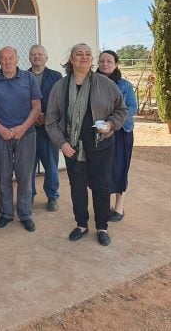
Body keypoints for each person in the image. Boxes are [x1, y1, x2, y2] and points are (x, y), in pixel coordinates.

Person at [45, 44, 127, 246]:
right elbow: (51, 121)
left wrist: (110, 124)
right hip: (72, 148)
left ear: (92, 60)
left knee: (101, 186)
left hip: (101, 146)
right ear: (71, 60)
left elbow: (121, 111)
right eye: (79, 54)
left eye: (88, 54)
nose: (84, 57)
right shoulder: (60, 87)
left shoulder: (105, 84)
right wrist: (62, 144)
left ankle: (102, 227)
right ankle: (81, 224)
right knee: (78, 187)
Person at [0, 46, 41, 232]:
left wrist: (23, 128)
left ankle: (25, 214)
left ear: (17, 59)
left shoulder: (29, 78)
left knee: (25, 176)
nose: (7, 62)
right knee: (4, 175)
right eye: (3, 58)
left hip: (26, 134)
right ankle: (6, 213)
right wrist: (0, 128)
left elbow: (37, 107)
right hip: (0, 135)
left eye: (10, 58)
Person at [97, 50, 138, 222]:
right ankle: (104, 206)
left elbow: (132, 108)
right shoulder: (92, 83)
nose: (105, 64)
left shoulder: (125, 85)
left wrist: (113, 122)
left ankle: (119, 207)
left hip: (122, 133)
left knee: (120, 169)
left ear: (116, 64)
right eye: (102, 61)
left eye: (109, 61)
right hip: (100, 135)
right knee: (102, 171)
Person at [28, 44, 63, 211]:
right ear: (29, 58)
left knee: (51, 165)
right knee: (28, 166)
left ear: (46, 58)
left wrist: (45, 117)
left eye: (40, 54)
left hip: (49, 130)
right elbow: (18, 101)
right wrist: (33, 117)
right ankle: (29, 196)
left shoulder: (56, 76)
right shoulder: (22, 76)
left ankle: (52, 197)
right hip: (28, 129)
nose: (37, 57)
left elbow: (60, 102)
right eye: (34, 55)